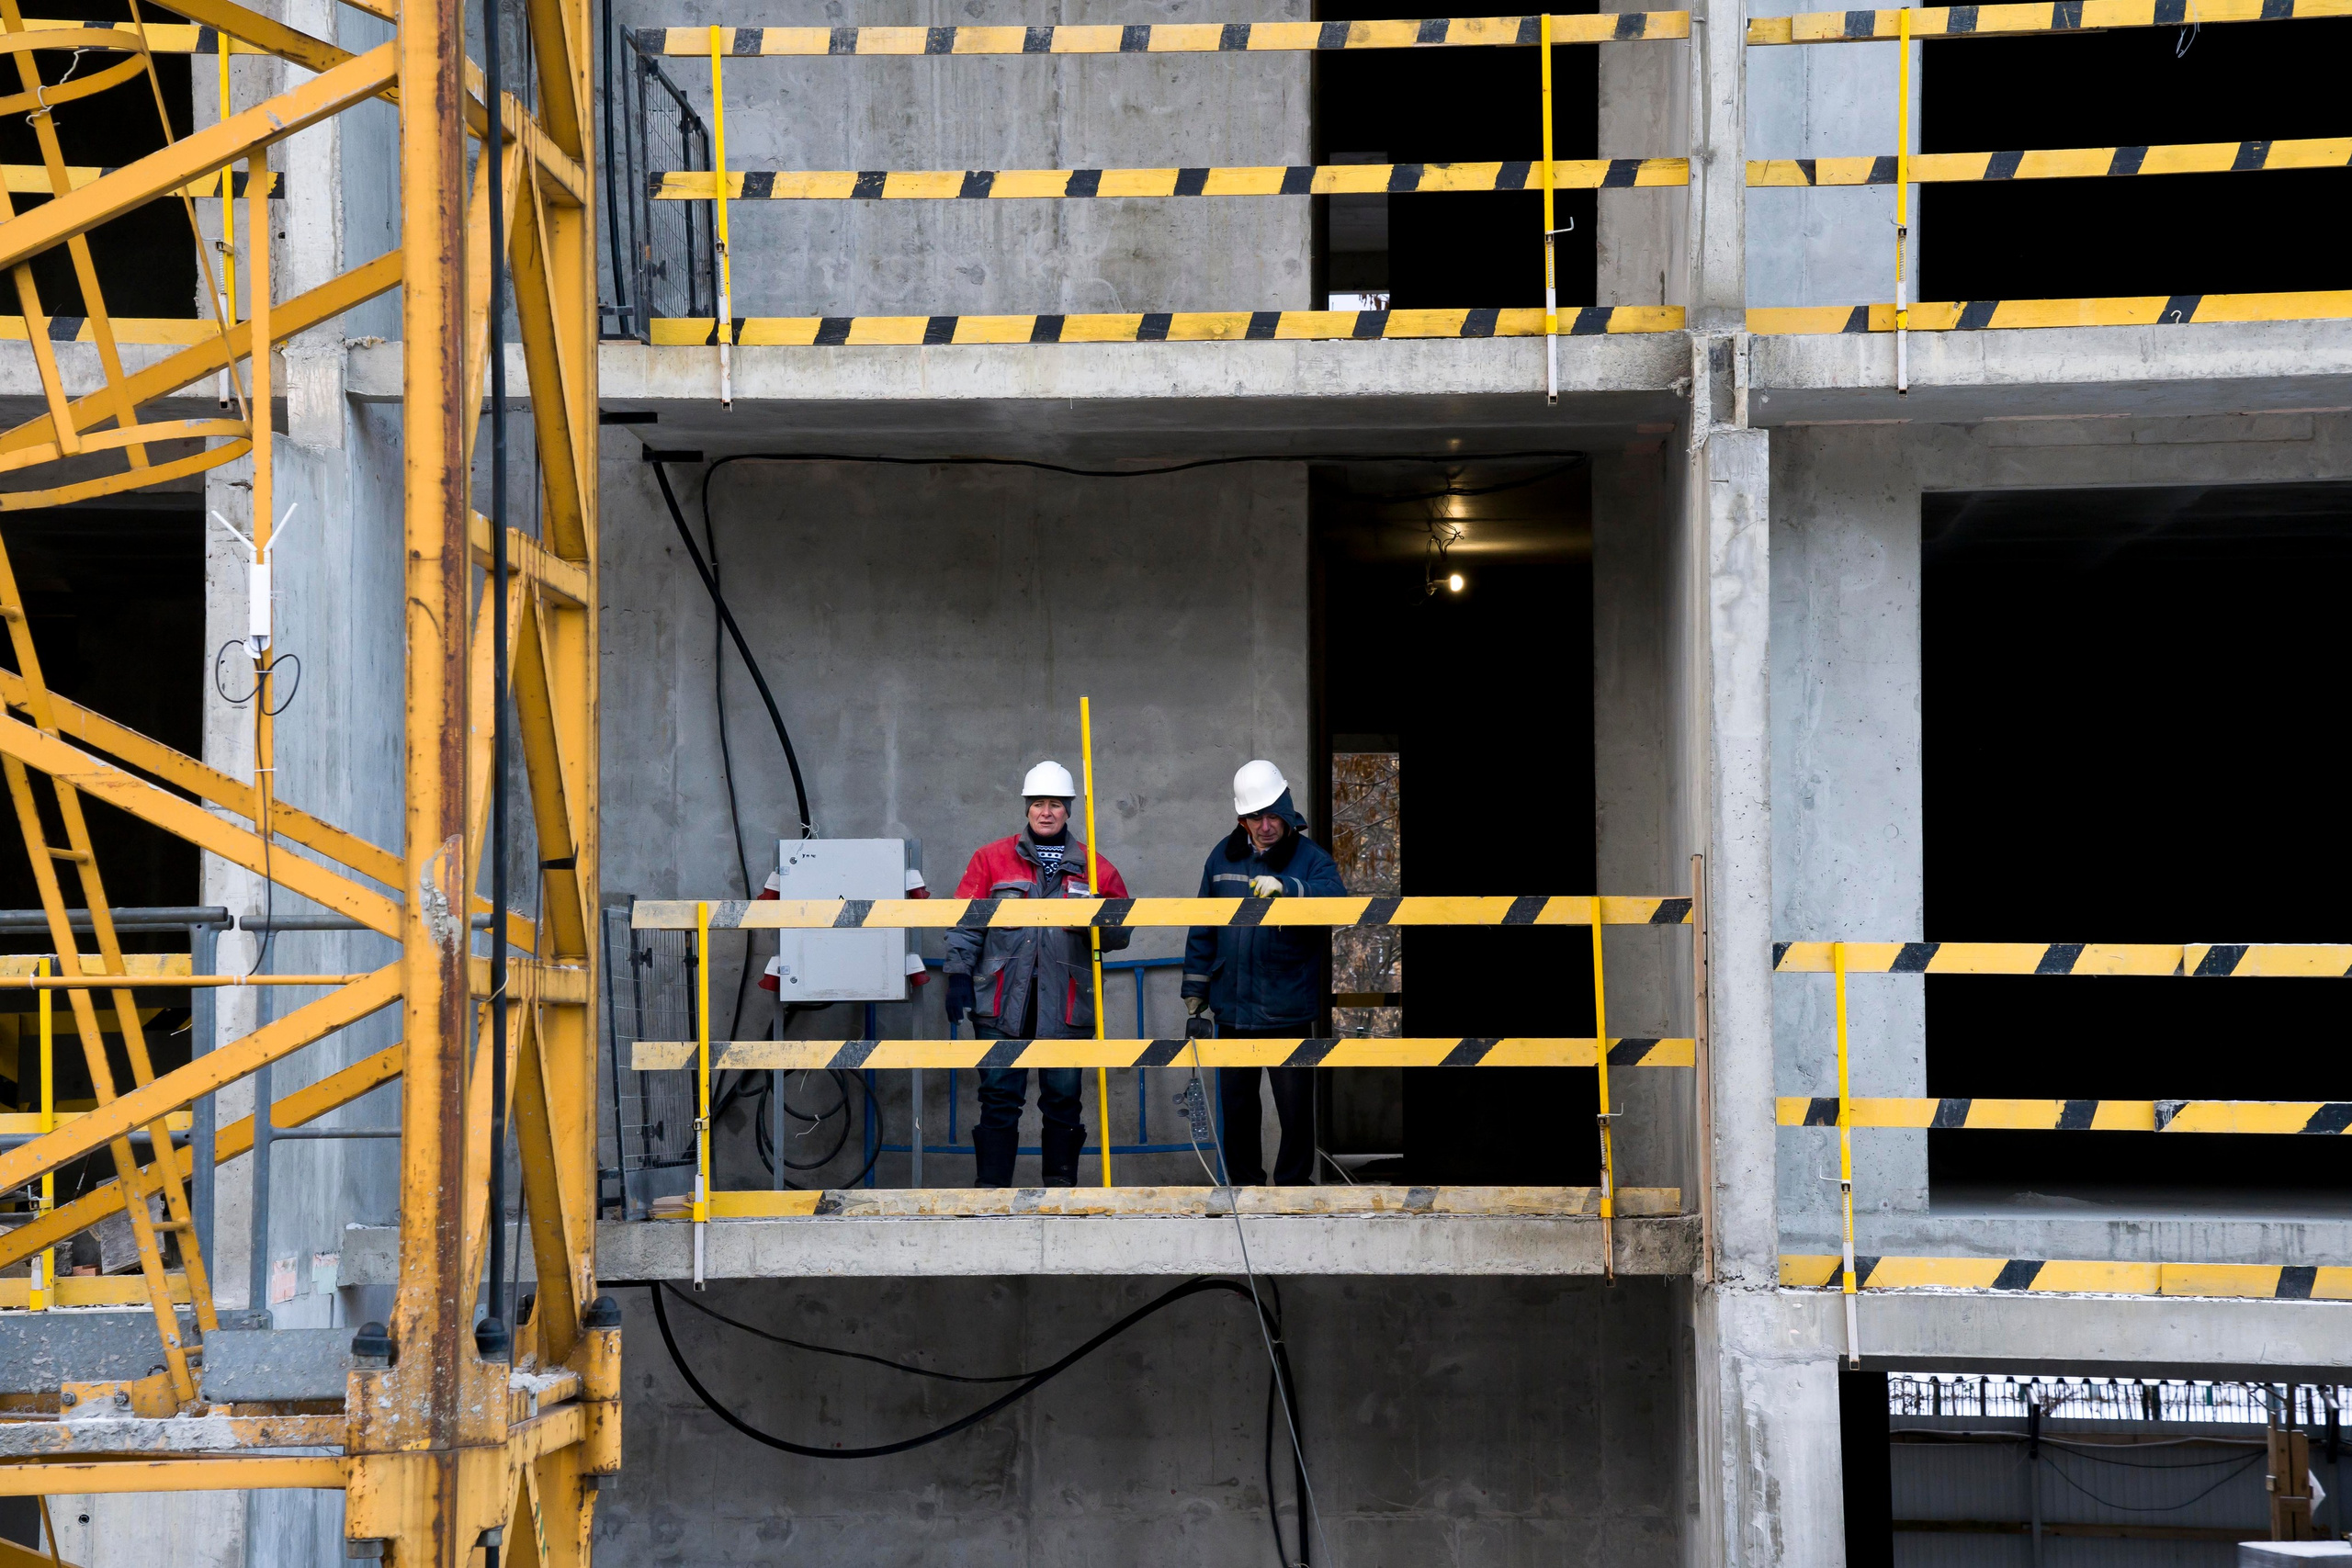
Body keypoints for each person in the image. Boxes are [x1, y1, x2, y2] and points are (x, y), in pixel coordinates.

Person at [943, 760, 1132, 1187]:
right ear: (1027, 808)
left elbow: (1120, 935)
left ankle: (1060, 1190)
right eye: (1038, 804)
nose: (1046, 812)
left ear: (1068, 810)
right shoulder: (990, 860)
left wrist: (1100, 912)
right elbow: (964, 925)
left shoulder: (1094, 867)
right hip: (1000, 1002)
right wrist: (957, 976)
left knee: (1064, 1100)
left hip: (1065, 1004)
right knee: (997, 1097)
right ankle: (992, 1191)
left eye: (1056, 805)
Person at [1182, 760, 1344, 1185]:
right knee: (1237, 1107)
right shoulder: (1222, 856)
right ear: (1242, 818)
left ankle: (1293, 1186)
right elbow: (1204, 925)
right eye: (1257, 816)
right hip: (1232, 1006)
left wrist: (1290, 890)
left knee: (1293, 1109)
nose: (1266, 825)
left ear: (1287, 812)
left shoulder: (1310, 860)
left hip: (1287, 1007)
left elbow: (1338, 902)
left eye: (1274, 814)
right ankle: (1245, 1186)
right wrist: (1195, 986)